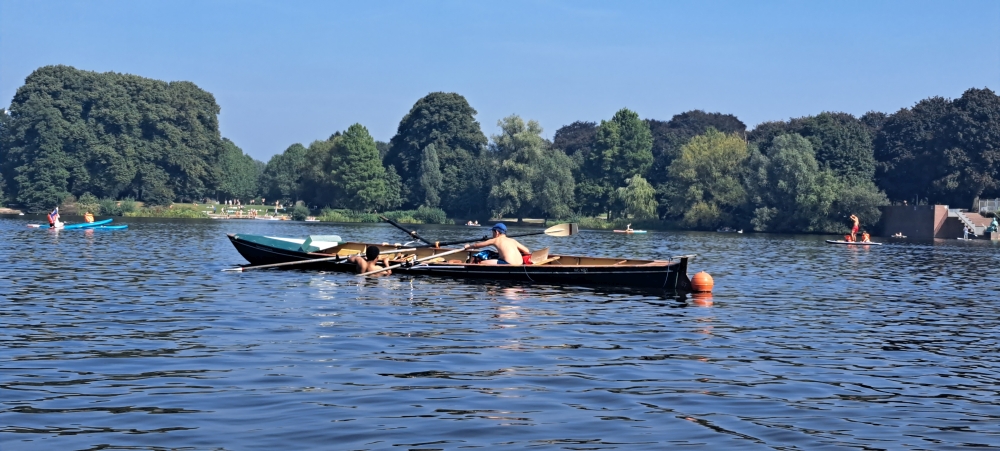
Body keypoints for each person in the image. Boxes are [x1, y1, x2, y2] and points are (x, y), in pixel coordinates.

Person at [464, 223, 531, 265]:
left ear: (496, 232)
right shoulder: (512, 240)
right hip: (520, 264)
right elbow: (527, 251)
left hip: (508, 264)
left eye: (493, 232)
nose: (492, 234)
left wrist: (468, 247)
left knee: (481, 263)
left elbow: (477, 245)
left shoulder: (496, 240)